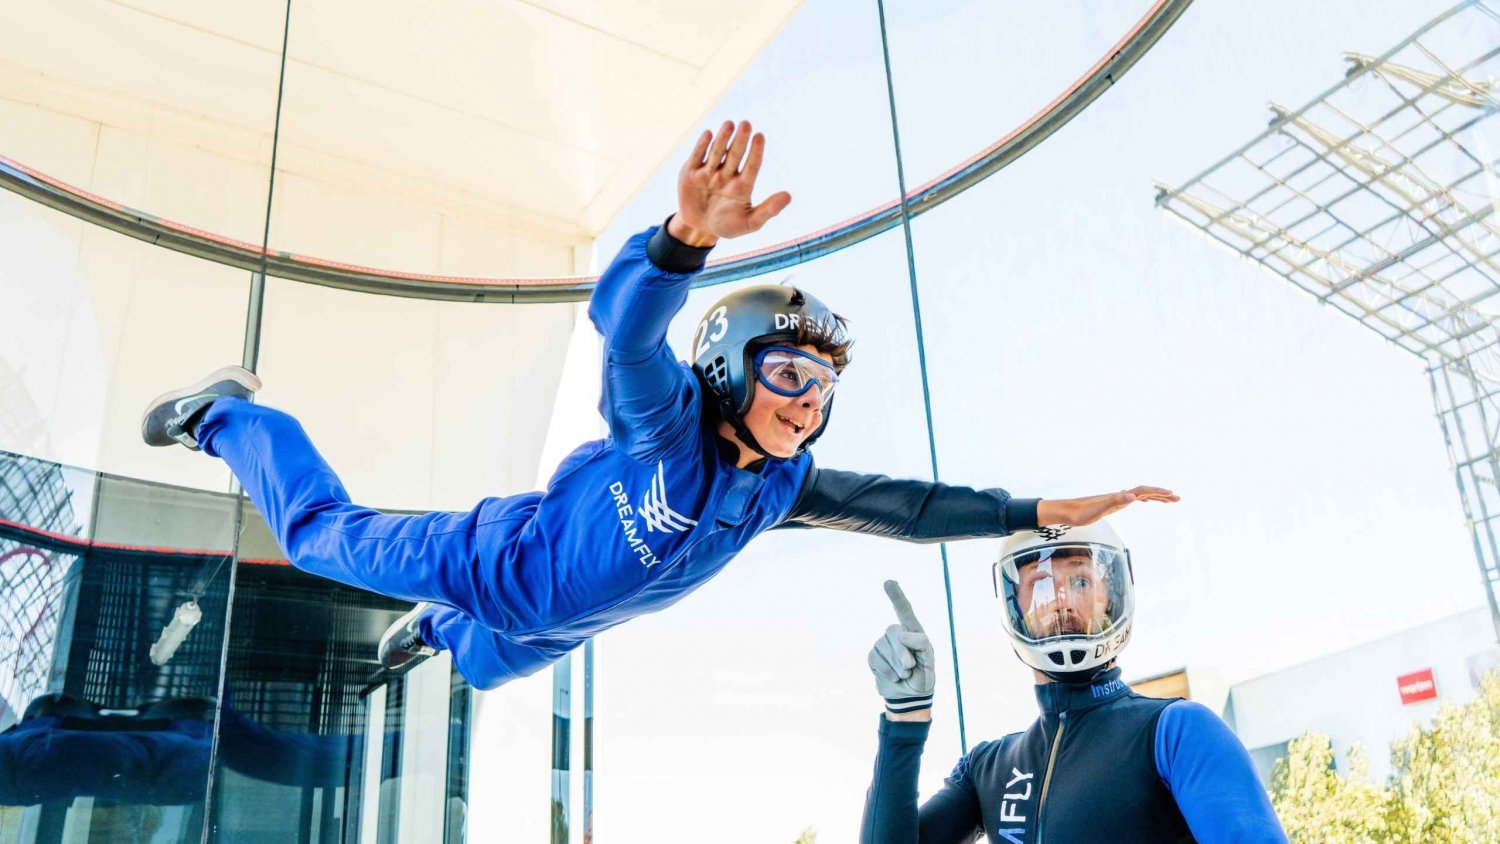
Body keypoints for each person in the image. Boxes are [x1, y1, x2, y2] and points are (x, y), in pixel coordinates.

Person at [141, 120, 1176, 689]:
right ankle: (224, 418)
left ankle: (432, 636)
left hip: (568, 623)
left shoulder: (784, 487)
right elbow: (627, 331)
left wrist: (1036, 513)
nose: (808, 403)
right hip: (498, 560)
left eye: (822, 388)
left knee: (486, 666)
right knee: (324, 538)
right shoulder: (664, 423)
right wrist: (680, 243)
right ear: (729, 368)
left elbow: (903, 508)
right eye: (787, 376)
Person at [858, 522, 1320, 844]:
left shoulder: (1176, 730)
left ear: (1110, 595)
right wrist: (904, 721)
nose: (1060, 599)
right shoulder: (989, 765)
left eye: (1080, 580)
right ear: (1014, 604)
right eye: (1039, 583)